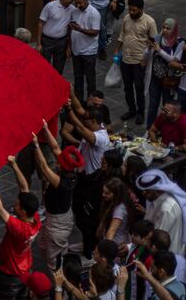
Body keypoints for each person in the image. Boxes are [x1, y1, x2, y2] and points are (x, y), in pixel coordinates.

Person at [0, 161, 41, 300]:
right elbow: (24, 187)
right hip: (26, 271)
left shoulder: (18, 228)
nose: (14, 204)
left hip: (11, 274)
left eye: (17, 204)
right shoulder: (35, 219)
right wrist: (14, 165)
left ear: (23, 212)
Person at [32, 126, 82, 272]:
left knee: (53, 263)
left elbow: (44, 167)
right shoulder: (70, 171)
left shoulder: (63, 182)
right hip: (56, 218)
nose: (57, 160)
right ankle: (62, 254)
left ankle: (60, 286)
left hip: (57, 224)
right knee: (42, 245)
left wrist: (36, 145)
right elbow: (54, 147)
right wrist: (45, 127)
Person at [68, 105, 110, 258]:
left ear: (93, 121)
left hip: (94, 182)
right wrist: (69, 101)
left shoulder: (100, 137)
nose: (83, 122)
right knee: (78, 210)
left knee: (89, 218)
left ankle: (89, 252)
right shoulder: (94, 129)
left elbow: (79, 127)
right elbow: (79, 109)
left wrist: (68, 111)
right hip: (84, 178)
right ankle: (87, 243)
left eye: (86, 121)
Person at [117, 0, 157, 125]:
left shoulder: (149, 22)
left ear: (141, 9)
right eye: (130, 10)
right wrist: (117, 49)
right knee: (127, 87)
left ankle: (140, 112)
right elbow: (122, 34)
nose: (131, 12)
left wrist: (147, 58)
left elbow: (154, 42)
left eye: (134, 10)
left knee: (139, 88)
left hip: (139, 61)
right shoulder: (127, 18)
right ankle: (131, 110)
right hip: (126, 58)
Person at [136, 169, 186, 256]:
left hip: (165, 257)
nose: (143, 193)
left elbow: (157, 240)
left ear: (158, 190)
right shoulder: (153, 200)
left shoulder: (166, 209)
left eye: (147, 191)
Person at [148, 18, 184, 118]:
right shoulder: (157, 38)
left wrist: (160, 51)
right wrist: (148, 49)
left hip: (168, 81)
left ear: (174, 30)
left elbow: (173, 61)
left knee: (167, 108)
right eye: (163, 27)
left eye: (168, 28)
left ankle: (163, 129)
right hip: (155, 79)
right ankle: (149, 129)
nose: (164, 30)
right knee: (152, 106)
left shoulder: (179, 42)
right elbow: (146, 56)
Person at [69, 0, 102, 102]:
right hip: (76, 50)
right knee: (78, 77)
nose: (78, 5)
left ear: (86, 0)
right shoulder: (75, 11)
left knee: (90, 78)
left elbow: (95, 32)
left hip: (89, 51)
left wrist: (80, 29)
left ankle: (91, 101)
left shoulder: (94, 13)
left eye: (80, 3)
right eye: (76, 3)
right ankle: (79, 101)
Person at [36, 0, 76, 74]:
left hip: (62, 42)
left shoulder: (73, 9)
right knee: (43, 66)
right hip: (47, 41)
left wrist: (69, 46)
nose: (70, 0)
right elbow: (40, 23)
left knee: (59, 69)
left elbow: (71, 28)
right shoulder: (50, 6)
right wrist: (39, 43)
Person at [97, 177, 135, 247]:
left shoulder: (119, 210)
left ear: (116, 194)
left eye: (107, 193)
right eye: (103, 192)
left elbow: (111, 232)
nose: (103, 195)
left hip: (116, 244)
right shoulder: (115, 202)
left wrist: (107, 250)